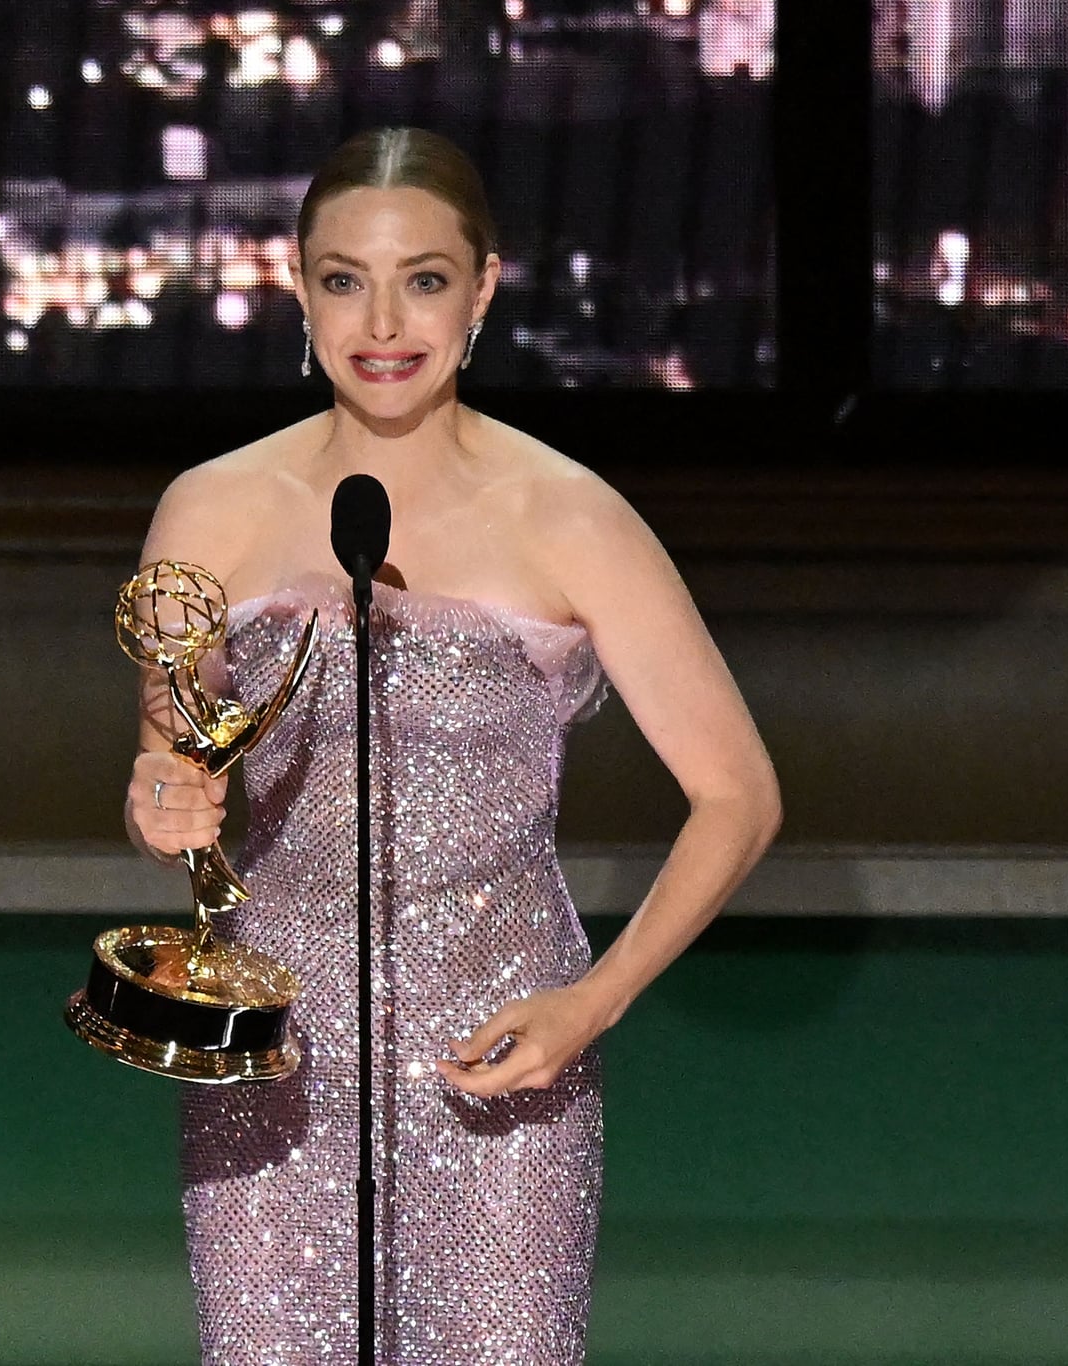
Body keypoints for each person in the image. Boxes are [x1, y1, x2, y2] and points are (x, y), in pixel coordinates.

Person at [123, 126, 780, 1366]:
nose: (382, 319)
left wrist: (592, 1003)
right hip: (271, 1064)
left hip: (502, 1061)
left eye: (422, 278)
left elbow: (735, 794)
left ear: (483, 288)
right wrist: (162, 800)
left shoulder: (570, 515)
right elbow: (172, 781)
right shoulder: (207, 508)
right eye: (342, 278)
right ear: (296, 286)